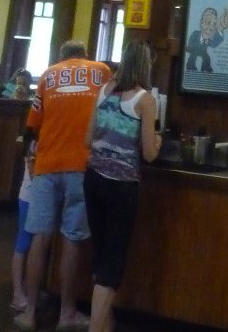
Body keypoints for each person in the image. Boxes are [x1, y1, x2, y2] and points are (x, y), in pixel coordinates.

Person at [15, 40, 111, 332]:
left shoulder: (47, 76)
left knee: (39, 237)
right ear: (85, 55)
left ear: (61, 57)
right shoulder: (101, 71)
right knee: (72, 237)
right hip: (81, 165)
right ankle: (67, 313)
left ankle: (29, 313)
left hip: (46, 165)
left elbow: (32, 126)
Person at [83, 40, 162, 332]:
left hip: (93, 179)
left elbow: (87, 139)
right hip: (122, 186)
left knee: (101, 252)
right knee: (113, 263)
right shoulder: (145, 100)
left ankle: (104, 324)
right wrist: (159, 140)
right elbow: (149, 153)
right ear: (145, 65)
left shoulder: (104, 90)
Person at [11, 151, 35, 312]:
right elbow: (32, 171)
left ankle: (27, 287)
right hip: (29, 197)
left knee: (32, 244)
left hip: (32, 196)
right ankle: (17, 293)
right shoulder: (33, 142)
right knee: (23, 243)